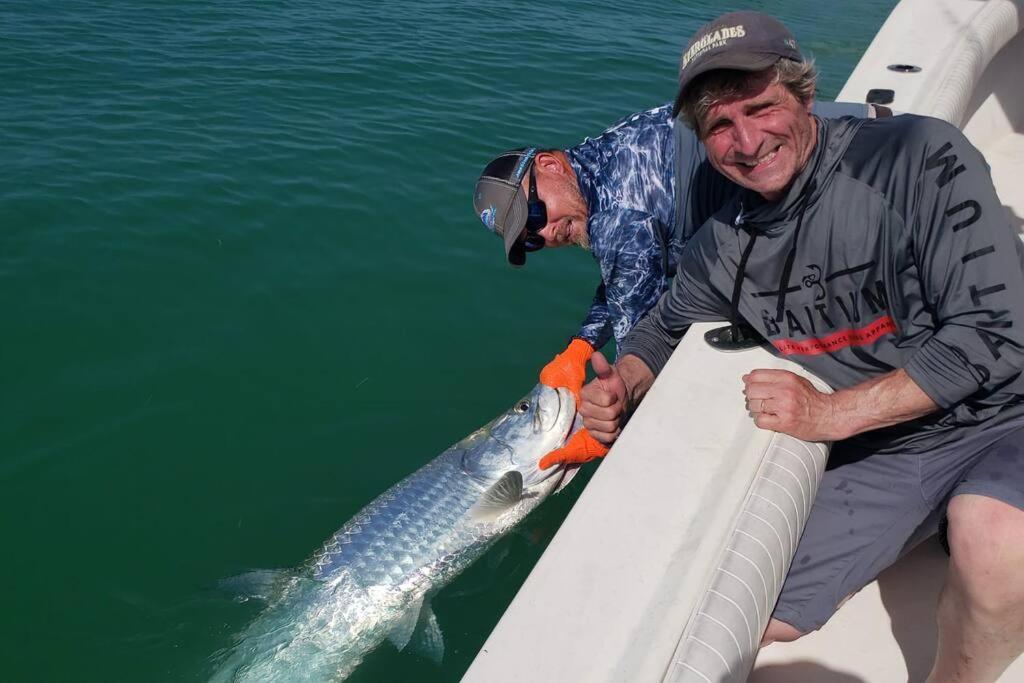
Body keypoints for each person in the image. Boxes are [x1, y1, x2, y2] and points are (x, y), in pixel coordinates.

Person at [578, 11, 1024, 683]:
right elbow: (664, 326)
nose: (748, 141)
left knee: (994, 543)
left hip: (1005, 411)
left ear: (803, 94)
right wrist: (625, 380)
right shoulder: (720, 241)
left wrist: (829, 416)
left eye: (762, 107)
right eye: (721, 126)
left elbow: (995, 332)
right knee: (737, 618)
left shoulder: (918, 157)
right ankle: (933, 526)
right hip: (894, 441)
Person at [472, 96, 878, 469]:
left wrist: (605, 426)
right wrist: (580, 347)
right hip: (866, 132)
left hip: (863, 189)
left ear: (549, 165)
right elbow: (625, 275)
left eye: (536, 216)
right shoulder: (604, 160)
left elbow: (640, 345)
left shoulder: (618, 217)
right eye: (529, 239)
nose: (544, 235)